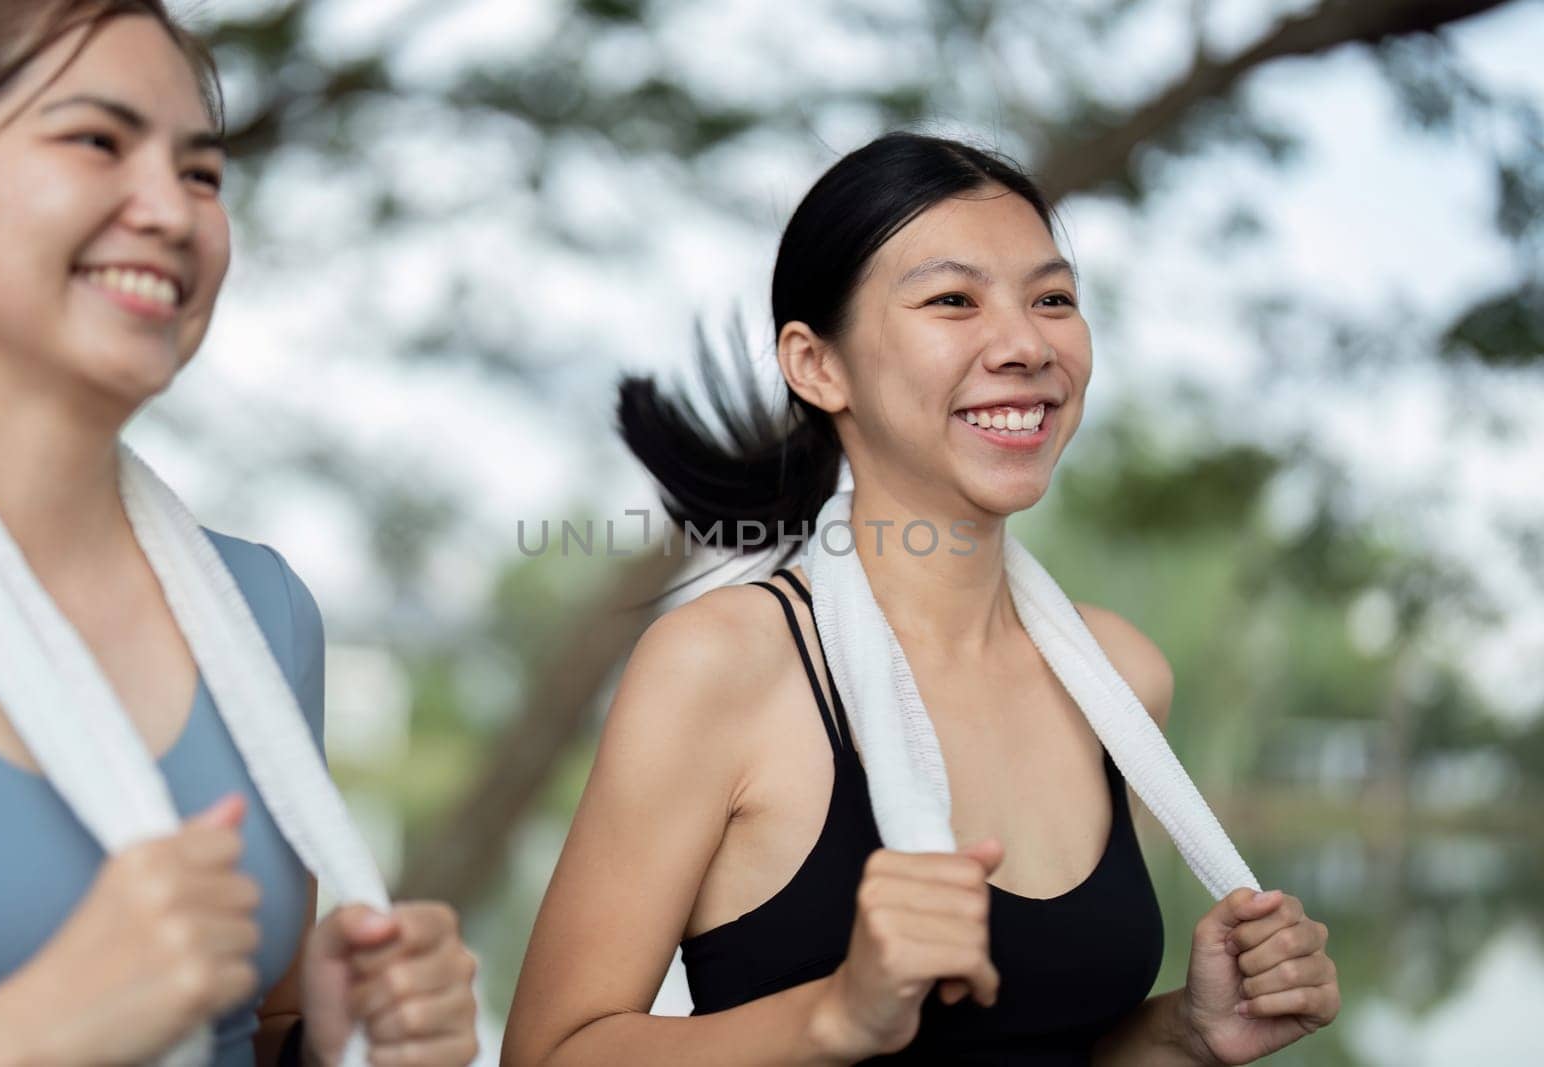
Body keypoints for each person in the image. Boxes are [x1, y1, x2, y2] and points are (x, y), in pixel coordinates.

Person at [502, 132, 1340, 1065]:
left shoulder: (1120, 677)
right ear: (818, 366)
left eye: (1053, 298)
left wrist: (1181, 1035)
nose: (1026, 344)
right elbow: (549, 1052)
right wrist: (836, 1016)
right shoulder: (726, 664)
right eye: (953, 300)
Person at [0, 4, 479, 1064]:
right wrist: (27, 1033)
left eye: (202, 172)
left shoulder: (261, 610)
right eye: (97, 139)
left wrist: (335, 1039)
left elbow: (252, 1027)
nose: (172, 211)